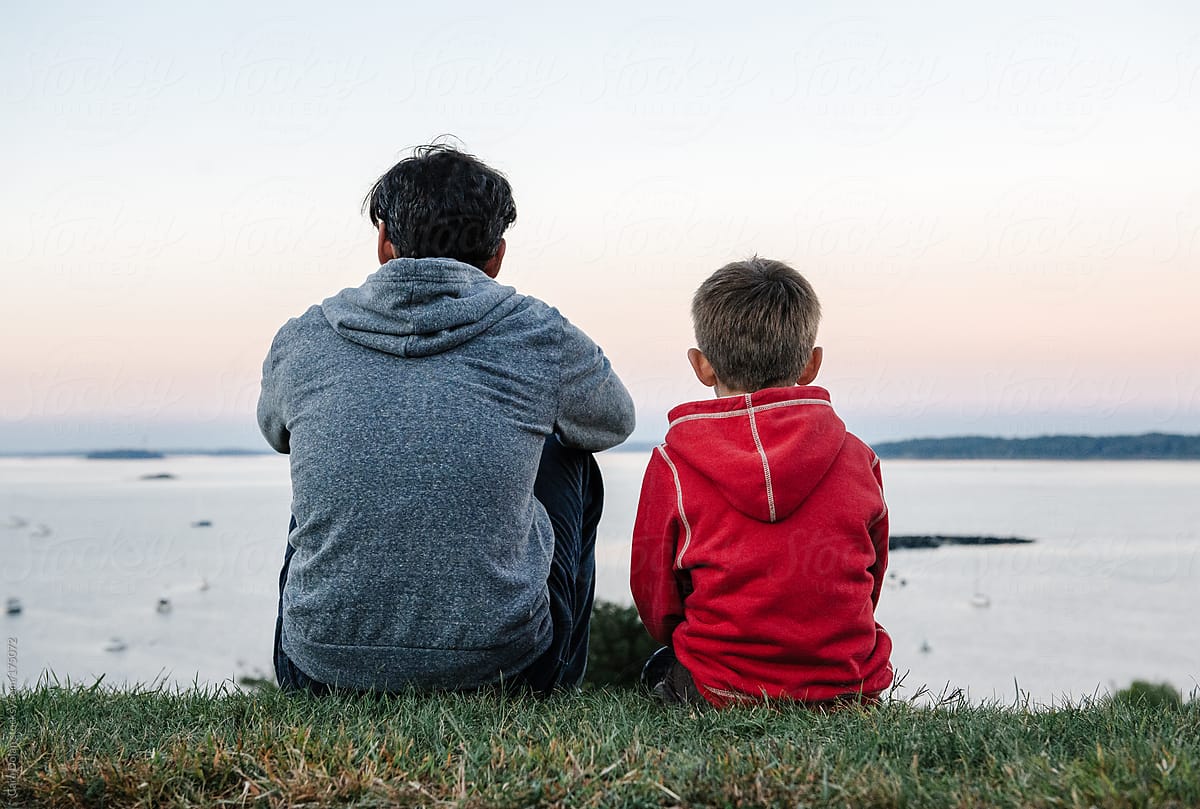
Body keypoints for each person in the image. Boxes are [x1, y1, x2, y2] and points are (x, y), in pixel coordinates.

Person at [258, 143, 636, 695]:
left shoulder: (303, 339)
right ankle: (557, 684)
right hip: (507, 671)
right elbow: (613, 421)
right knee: (570, 457)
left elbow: (276, 433)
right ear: (497, 255)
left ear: (384, 241)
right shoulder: (538, 334)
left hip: (317, 673)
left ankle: (337, 634)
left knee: (331, 465)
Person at [629, 256, 893, 708]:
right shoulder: (859, 458)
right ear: (812, 364)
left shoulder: (672, 464)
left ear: (702, 366)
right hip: (847, 687)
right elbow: (872, 579)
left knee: (660, 665)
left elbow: (655, 595)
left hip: (721, 688)